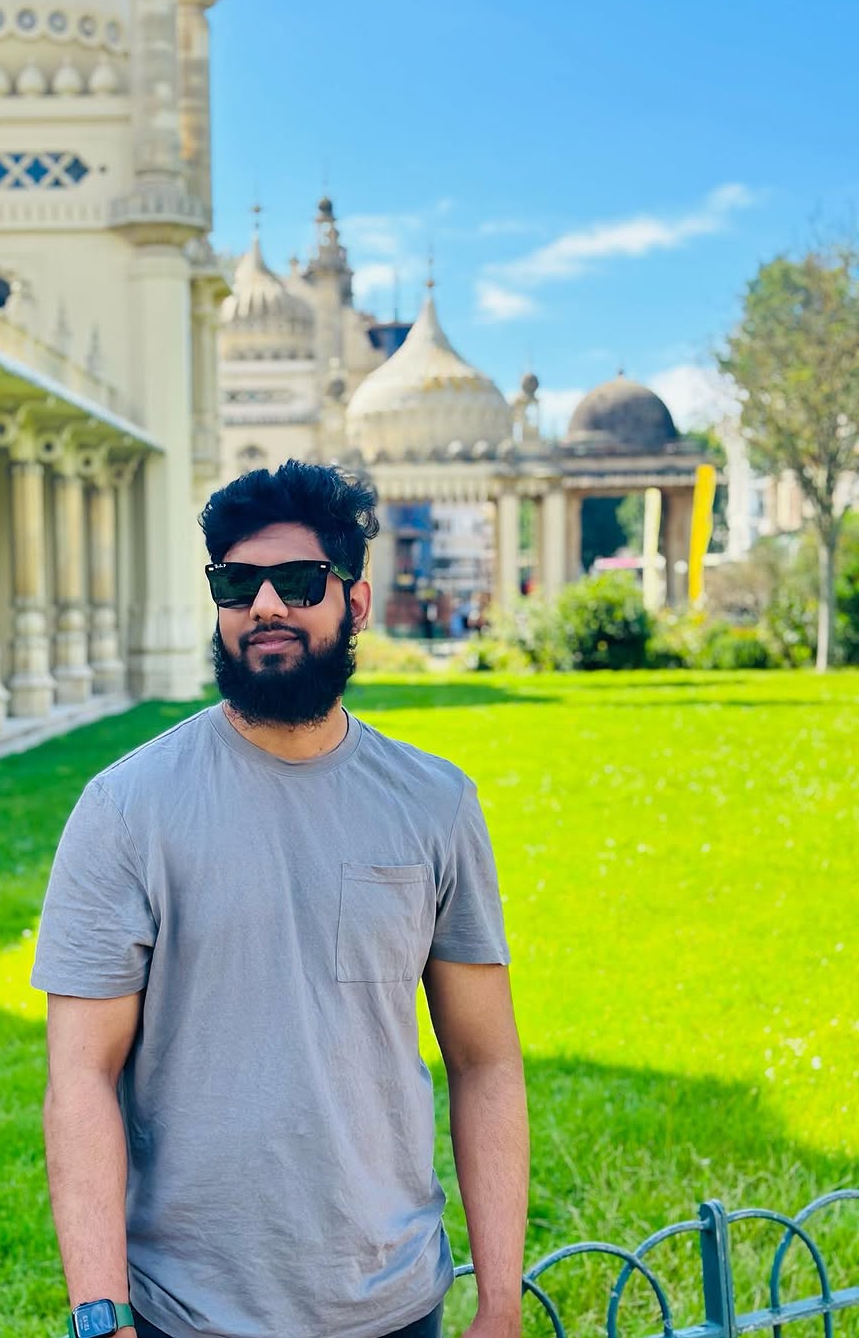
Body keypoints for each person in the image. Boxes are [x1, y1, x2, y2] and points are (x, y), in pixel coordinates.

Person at [32, 460, 528, 1338]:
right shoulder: (125, 810)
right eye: (237, 584)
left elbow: (485, 1062)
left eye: (298, 582)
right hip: (186, 1313)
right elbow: (81, 1077)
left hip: (394, 1303)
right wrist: (101, 1320)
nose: (264, 605)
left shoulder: (434, 804)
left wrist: (498, 1304)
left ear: (356, 602)